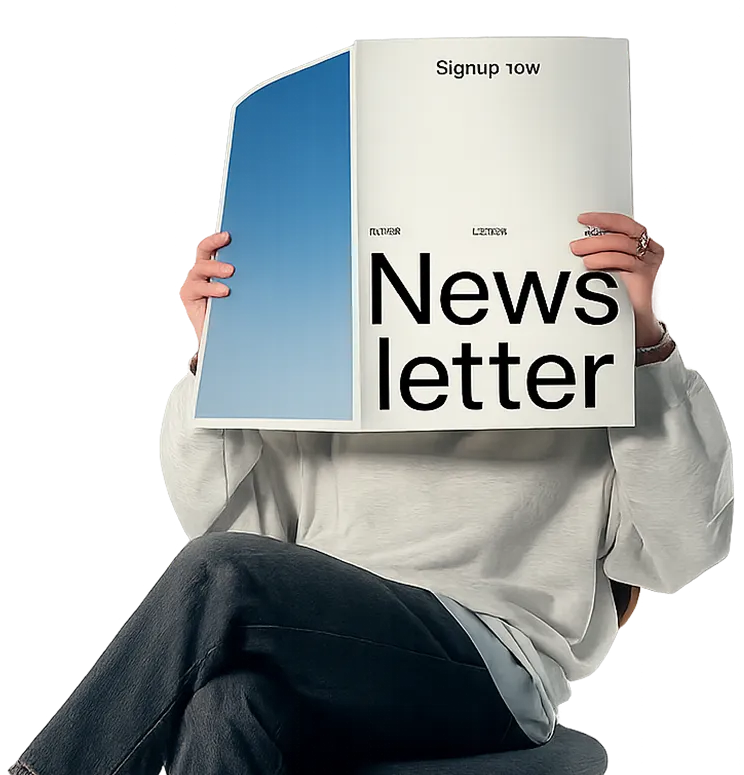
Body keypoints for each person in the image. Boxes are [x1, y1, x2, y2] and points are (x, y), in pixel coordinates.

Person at [11, 213, 733, 775]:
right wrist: (220, 354)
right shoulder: (329, 340)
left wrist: (644, 343)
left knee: (220, 571)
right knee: (227, 706)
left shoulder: (586, 351)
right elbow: (222, 518)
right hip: (320, 651)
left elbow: (683, 553)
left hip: (496, 661)